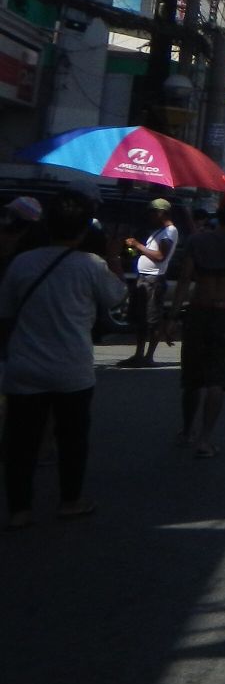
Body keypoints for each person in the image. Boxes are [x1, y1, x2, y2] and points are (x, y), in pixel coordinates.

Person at [1, 191, 127, 528]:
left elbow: (6, 312)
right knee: (72, 438)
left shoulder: (22, 262)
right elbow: (117, 296)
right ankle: (70, 500)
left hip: (24, 366)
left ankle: (19, 509)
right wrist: (114, 256)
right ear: (84, 229)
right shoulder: (91, 265)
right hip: (72, 368)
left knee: (21, 442)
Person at [165, 189, 225, 459]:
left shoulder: (198, 240)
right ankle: (205, 439)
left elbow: (185, 279)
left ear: (218, 212)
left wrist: (172, 317)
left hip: (199, 310)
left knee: (193, 378)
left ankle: (187, 431)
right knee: (217, 379)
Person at [119, 198, 178, 367]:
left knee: (152, 319)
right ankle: (139, 355)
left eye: (153, 212)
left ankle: (149, 356)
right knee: (141, 319)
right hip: (144, 277)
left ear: (162, 213)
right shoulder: (159, 231)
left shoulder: (170, 231)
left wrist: (137, 245)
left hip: (153, 279)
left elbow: (160, 256)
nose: (150, 216)